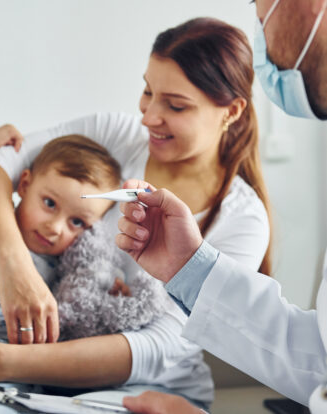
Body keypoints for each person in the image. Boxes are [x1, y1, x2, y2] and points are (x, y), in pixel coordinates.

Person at [0, 17, 271, 413]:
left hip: (145, 388)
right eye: (148, 91)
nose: (148, 116)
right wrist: (16, 269)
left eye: (176, 105)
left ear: (231, 111)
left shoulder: (242, 221)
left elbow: (161, 345)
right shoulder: (114, 135)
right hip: (38, 375)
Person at [114, 0, 327, 412]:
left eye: (262, 8)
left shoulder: (243, 215)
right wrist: (190, 268)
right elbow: (317, 364)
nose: (259, 28)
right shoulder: (118, 139)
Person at [0, 125, 121, 412]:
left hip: (10, 378)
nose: (55, 227)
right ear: (24, 184)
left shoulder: (67, 267)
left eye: (77, 222)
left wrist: (111, 291)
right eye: (49, 203)